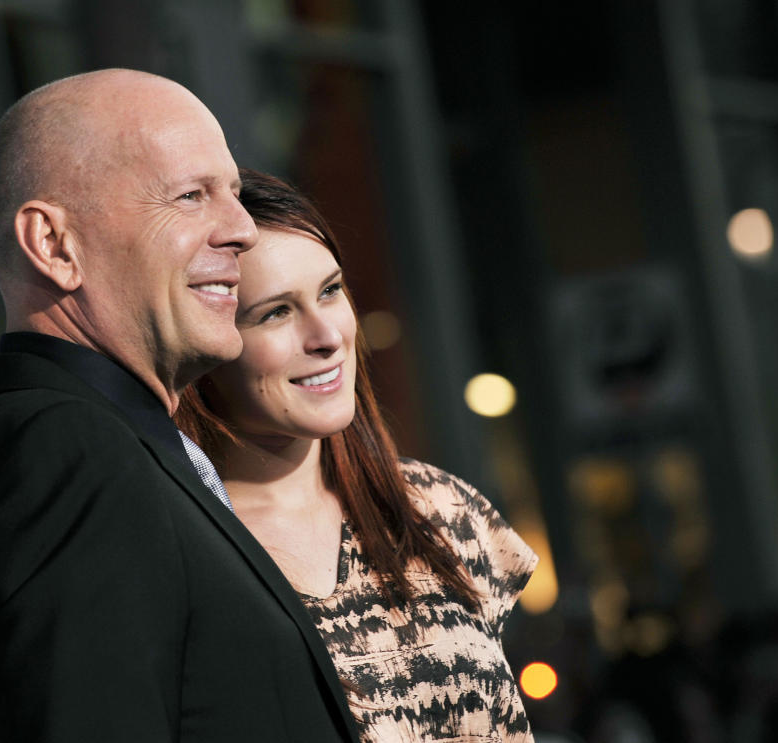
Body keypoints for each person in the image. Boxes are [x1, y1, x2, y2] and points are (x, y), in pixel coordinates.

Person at [0, 70, 360, 743]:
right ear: (54, 246)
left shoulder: (87, 446)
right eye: (189, 195)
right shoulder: (66, 453)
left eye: (232, 194)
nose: (241, 230)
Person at [174, 169, 539, 742]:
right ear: (206, 347)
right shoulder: (182, 547)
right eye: (275, 312)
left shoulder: (439, 508)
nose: (327, 335)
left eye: (330, 290)